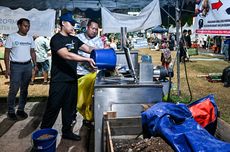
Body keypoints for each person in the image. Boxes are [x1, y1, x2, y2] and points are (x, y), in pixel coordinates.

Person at [40, 12, 96, 141]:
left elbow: (88, 48)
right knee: (53, 107)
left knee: (69, 108)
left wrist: (104, 51)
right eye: (71, 24)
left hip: (72, 79)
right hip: (59, 81)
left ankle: (67, 131)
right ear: (63, 23)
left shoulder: (74, 39)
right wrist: (86, 60)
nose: (73, 27)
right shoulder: (56, 39)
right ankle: (43, 134)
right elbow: (66, 55)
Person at [4, 18, 37, 120]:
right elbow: (7, 53)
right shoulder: (12, 37)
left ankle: (21, 110)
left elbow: (32, 52)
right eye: (25, 26)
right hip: (16, 66)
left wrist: (34, 64)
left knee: (24, 89)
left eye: (28, 26)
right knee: (14, 89)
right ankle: (10, 111)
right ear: (19, 25)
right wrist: (7, 68)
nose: (27, 28)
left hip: (27, 65)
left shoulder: (30, 38)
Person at [75, 19, 104, 125]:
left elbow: (101, 56)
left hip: (91, 74)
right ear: (87, 27)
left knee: (89, 98)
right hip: (79, 72)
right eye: (93, 28)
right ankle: (72, 115)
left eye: (96, 29)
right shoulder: (78, 38)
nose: (95, 31)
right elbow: (72, 54)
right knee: (76, 97)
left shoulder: (99, 40)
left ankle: (87, 117)